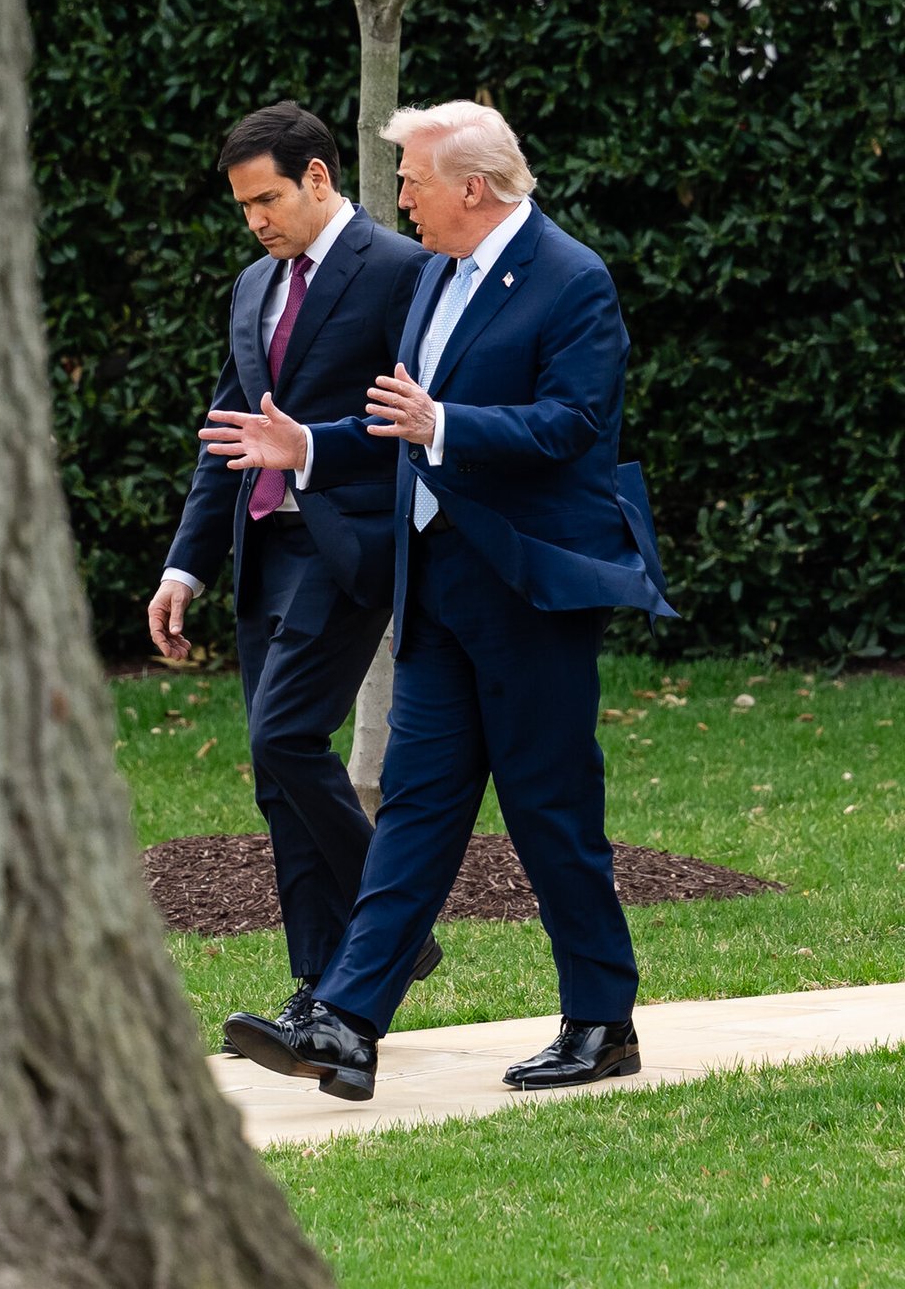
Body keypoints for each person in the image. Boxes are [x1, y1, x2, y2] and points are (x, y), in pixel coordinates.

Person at [201, 100, 676, 1100]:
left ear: (472, 186)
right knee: (414, 811)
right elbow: (397, 427)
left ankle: (602, 1021)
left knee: (550, 810)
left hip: (528, 590)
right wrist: (308, 446)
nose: (401, 197)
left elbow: (572, 425)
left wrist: (445, 423)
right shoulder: (435, 279)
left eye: (412, 180)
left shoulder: (570, 278)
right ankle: (345, 1021)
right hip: (436, 587)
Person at [148, 101, 435, 1034]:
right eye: (242, 206)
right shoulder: (251, 287)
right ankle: (317, 986)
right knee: (278, 776)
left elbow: (415, 421)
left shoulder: (399, 269)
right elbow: (227, 435)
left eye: (267, 199)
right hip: (263, 549)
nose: (256, 220)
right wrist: (185, 568)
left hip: (349, 545)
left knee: (283, 736)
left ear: (318, 176)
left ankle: (397, 922)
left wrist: (314, 452)